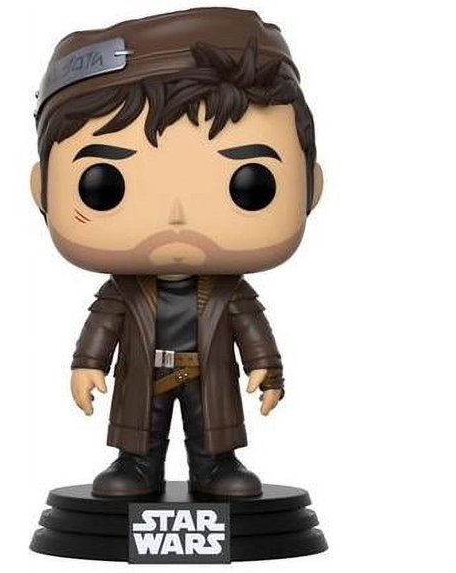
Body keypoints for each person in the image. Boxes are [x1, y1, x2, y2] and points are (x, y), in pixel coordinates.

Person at [30, 7, 323, 497]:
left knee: (212, 428)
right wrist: (88, 363)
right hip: (144, 372)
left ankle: (216, 467)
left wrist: (267, 369)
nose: (177, 216)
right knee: (140, 430)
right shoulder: (122, 292)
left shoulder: (231, 292)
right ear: (43, 190)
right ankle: (135, 466)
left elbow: (251, 329)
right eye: (104, 185)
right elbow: (103, 326)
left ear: (310, 189)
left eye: (251, 184)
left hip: (209, 373)